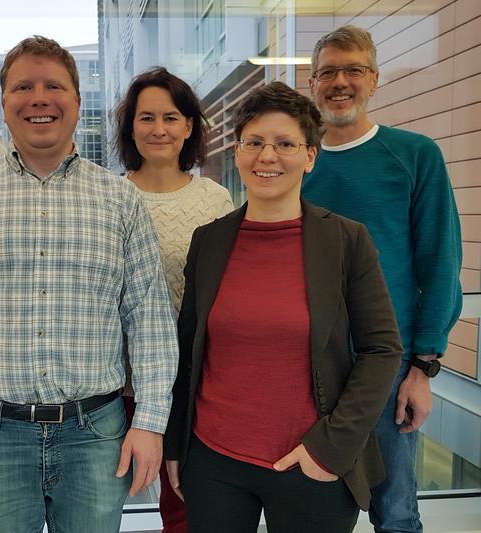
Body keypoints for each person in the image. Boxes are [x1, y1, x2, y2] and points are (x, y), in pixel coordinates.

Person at [0, 36, 178, 533]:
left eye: (54, 86)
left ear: (77, 100)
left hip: (96, 434)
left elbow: (150, 320)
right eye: (23, 86)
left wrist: (151, 421)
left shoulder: (120, 200)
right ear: (3, 103)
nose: (39, 98)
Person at [164, 81, 404, 533]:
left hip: (309, 463)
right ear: (237, 152)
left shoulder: (345, 241)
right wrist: (177, 444)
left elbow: (382, 350)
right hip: (213, 462)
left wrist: (330, 448)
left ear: (311, 155)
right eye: (254, 142)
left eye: (285, 144)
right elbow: (188, 351)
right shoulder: (209, 242)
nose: (267, 156)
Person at [302, 25, 462, 533]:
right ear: (313, 83)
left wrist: (424, 367)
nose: (340, 82)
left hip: (388, 364)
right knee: (315, 508)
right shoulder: (293, 162)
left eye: (354, 70)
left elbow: (440, 265)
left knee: (394, 510)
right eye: (328, 71)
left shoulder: (415, 156)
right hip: (309, 363)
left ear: (374, 80)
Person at [114, 66, 233, 533]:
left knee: (184, 501)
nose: (158, 129)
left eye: (170, 117)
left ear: (189, 126)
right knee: (102, 498)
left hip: (192, 378)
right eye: (146, 118)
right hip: (119, 381)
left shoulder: (217, 200)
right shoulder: (110, 196)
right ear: (131, 127)